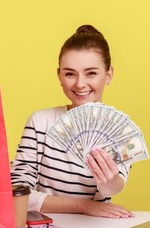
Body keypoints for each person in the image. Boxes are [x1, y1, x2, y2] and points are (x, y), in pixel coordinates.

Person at [10, 25, 134, 218]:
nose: (80, 84)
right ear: (59, 75)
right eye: (70, 74)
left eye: (91, 73)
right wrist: (85, 206)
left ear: (108, 75)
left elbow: (113, 187)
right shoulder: (40, 122)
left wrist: (110, 182)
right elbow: (17, 194)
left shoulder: (121, 131)